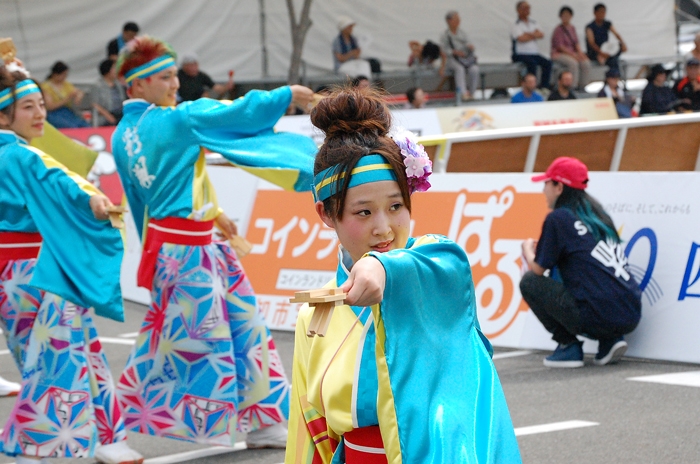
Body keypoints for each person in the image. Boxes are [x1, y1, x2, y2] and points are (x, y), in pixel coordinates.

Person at [284, 87, 521, 463]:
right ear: (326, 215)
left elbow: (445, 264)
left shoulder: (434, 272)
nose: (385, 228)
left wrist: (381, 267)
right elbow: (310, 433)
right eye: (363, 212)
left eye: (396, 206)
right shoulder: (317, 313)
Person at [111, 36, 318, 449]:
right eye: (165, 77)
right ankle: (112, 429)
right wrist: (286, 95)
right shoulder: (177, 119)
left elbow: (149, 203)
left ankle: (262, 422)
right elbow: (235, 112)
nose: (175, 84)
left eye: (173, 75)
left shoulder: (121, 136)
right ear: (137, 85)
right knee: (170, 345)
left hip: (184, 248)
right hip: (190, 256)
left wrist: (210, 217)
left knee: (245, 330)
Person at [0, 65, 143, 464]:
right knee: (71, 353)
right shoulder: (21, 155)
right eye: (28, 106)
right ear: (2, 115)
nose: (40, 113)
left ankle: (90, 439)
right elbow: (63, 182)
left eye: (41, 104)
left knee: (38, 358)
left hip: (14, 274)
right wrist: (94, 201)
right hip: (39, 272)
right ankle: (65, 440)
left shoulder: (17, 152)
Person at [521, 157, 642, 368]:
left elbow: (538, 269)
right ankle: (610, 341)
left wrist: (527, 250)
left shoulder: (558, 218)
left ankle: (568, 346)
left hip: (595, 315)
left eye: (546, 183)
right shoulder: (599, 215)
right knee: (576, 272)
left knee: (529, 281)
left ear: (559, 187)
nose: (543, 190)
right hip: (631, 312)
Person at [511, 1, 552, 89]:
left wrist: (528, 34)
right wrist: (534, 34)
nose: (527, 10)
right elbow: (521, 38)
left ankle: (544, 87)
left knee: (547, 63)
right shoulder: (516, 24)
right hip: (521, 53)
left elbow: (541, 35)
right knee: (532, 64)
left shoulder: (533, 22)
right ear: (518, 10)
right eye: (524, 8)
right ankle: (531, 87)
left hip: (534, 53)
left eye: (528, 8)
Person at [440, 11, 480, 100]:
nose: (458, 21)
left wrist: (469, 48)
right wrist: (455, 52)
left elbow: (469, 43)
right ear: (449, 21)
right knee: (459, 69)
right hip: (452, 59)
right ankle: (463, 94)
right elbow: (443, 50)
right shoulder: (445, 35)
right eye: (456, 19)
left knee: (475, 69)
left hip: (464, 59)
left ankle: (472, 93)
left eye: (459, 19)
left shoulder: (462, 33)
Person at [551, 6, 591, 89]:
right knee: (573, 63)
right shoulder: (558, 29)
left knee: (586, 62)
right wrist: (573, 55)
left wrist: (580, 54)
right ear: (560, 17)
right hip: (559, 54)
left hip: (572, 53)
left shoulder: (572, 28)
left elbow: (576, 43)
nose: (566, 18)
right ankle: (573, 87)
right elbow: (560, 47)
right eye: (564, 15)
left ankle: (583, 86)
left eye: (568, 15)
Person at [41, 61, 88, 128]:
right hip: (54, 114)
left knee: (84, 125)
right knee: (71, 127)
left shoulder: (66, 84)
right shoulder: (46, 87)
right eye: (63, 75)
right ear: (55, 74)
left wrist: (78, 97)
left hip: (68, 113)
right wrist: (67, 99)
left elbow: (78, 91)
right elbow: (50, 106)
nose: (64, 77)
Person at [586, 3, 627, 70]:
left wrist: (623, 43)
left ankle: (613, 75)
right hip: (595, 51)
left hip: (605, 49)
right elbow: (592, 43)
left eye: (604, 12)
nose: (602, 14)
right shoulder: (590, 27)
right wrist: (601, 53)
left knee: (617, 49)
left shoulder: (607, 24)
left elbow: (616, 34)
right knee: (611, 59)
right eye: (600, 12)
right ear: (595, 13)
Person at [92, 59, 126, 126]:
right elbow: (94, 104)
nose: (116, 71)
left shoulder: (118, 84)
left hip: (119, 113)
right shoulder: (97, 85)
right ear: (107, 70)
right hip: (106, 115)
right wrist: (108, 115)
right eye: (114, 68)